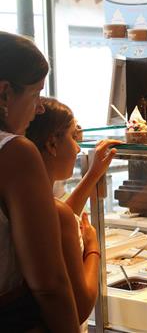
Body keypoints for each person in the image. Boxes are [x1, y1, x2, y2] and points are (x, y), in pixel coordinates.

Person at [0, 31, 80, 331]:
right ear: (5, 93)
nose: (40, 108)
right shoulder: (14, 151)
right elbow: (48, 283)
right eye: (35, 94)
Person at [25, 97, 121, 331]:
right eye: (72, 137)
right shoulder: (55, 212)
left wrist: (93, 174)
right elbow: (82, 306)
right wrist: (92, 247)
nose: (78, 148)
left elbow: (60, 218)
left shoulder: (29, 201)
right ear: (51, 144)